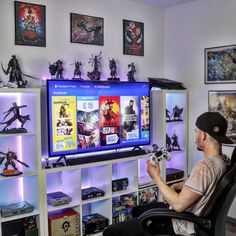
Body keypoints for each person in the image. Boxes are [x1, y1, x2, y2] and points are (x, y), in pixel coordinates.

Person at [103, 112, 233, 236]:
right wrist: (181, 185)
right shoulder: (224, 162)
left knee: (111, 231)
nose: (195, 135)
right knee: (137, 210)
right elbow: (208, 186)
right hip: (197, 219)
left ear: (203, 135)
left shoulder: (205, 167)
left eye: (196, 131)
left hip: (181, 224)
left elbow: (178, 205)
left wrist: (155, 176)